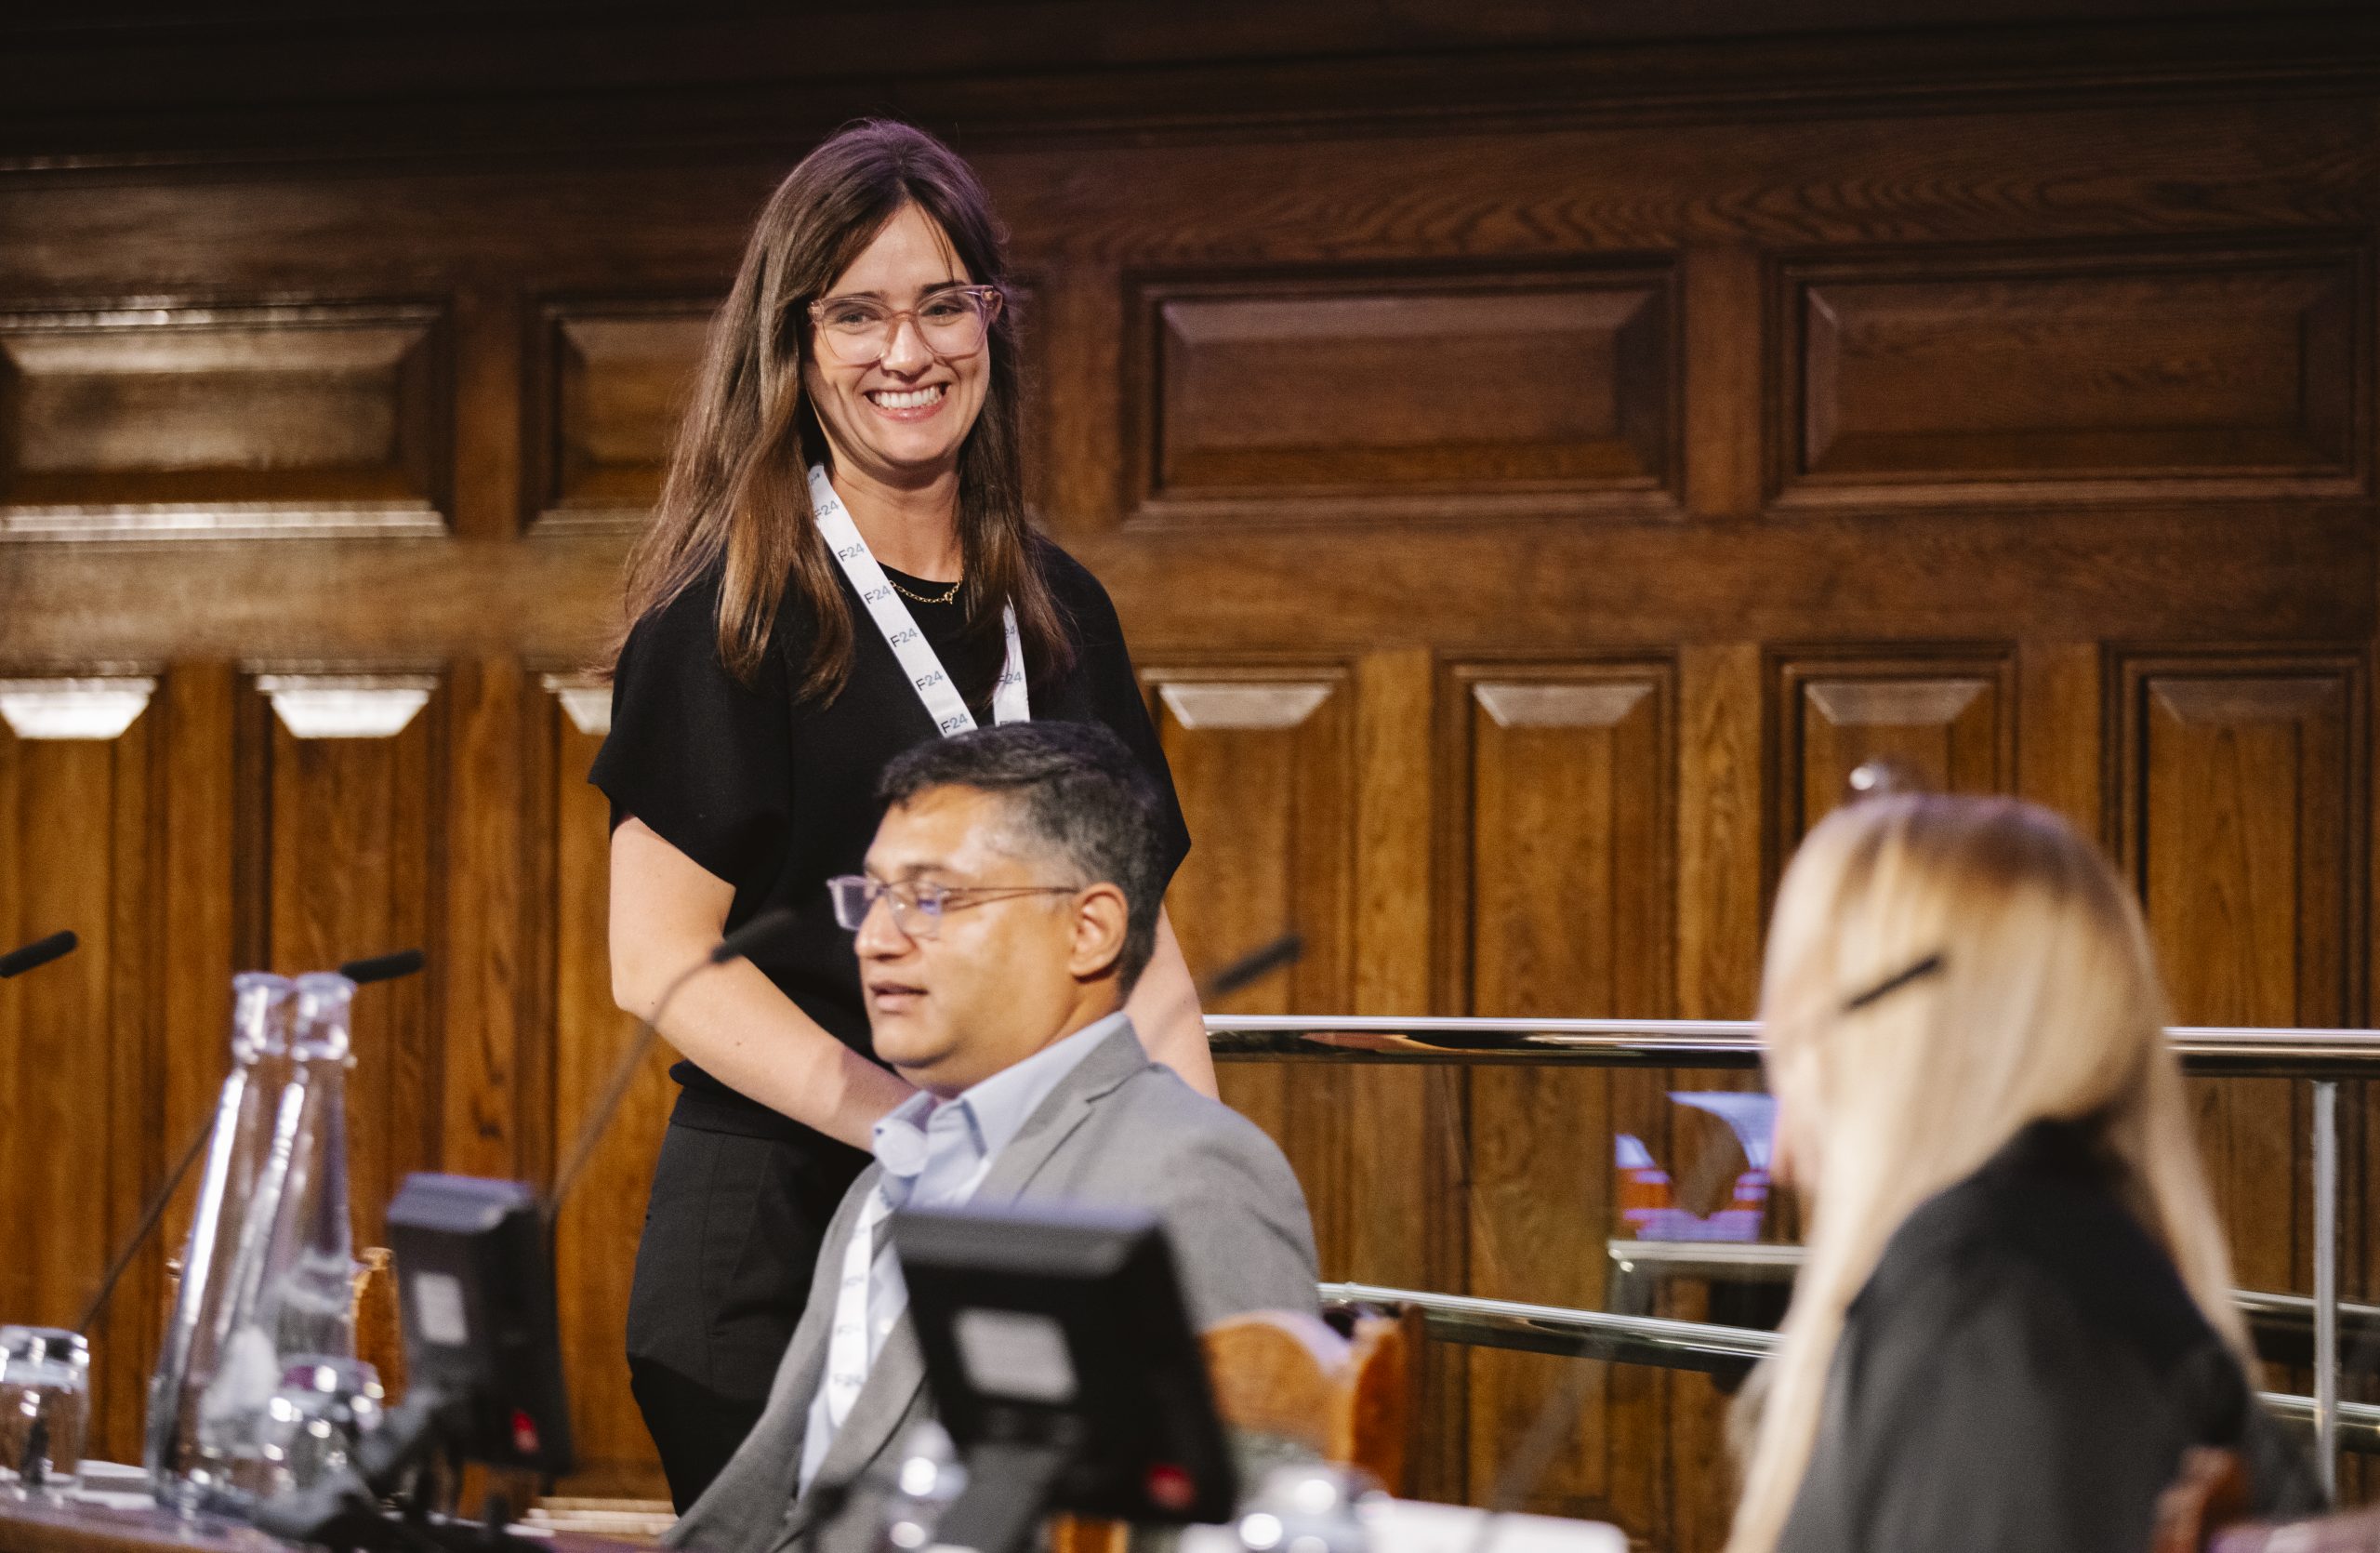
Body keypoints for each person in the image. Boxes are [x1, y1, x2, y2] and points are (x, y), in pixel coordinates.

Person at [593, 120, 1212, 1507]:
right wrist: (919, 1133)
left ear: (993, 320)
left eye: (944, 304)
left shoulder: (1063, 612)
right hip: (779, 1250)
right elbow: (660, 959)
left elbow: (1144, 960)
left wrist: (1194, 1192)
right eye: (858, 314)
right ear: (795, 342)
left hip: (1013, 1242)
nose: (907, 351)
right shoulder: (728, 619)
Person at [666, 721, 1318, 1553]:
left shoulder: (1191, 1173)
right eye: (871, 897)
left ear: (1089, 930)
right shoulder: (887, 1173)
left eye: (932, 899)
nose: (875, 941)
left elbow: (1249, 1521)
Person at [1727, 794, 2322, 1553]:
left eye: (1795, 1053)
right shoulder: (2054, 1269)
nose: (1779, 1157)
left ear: (1906, 1043)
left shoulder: (1991, 1316)